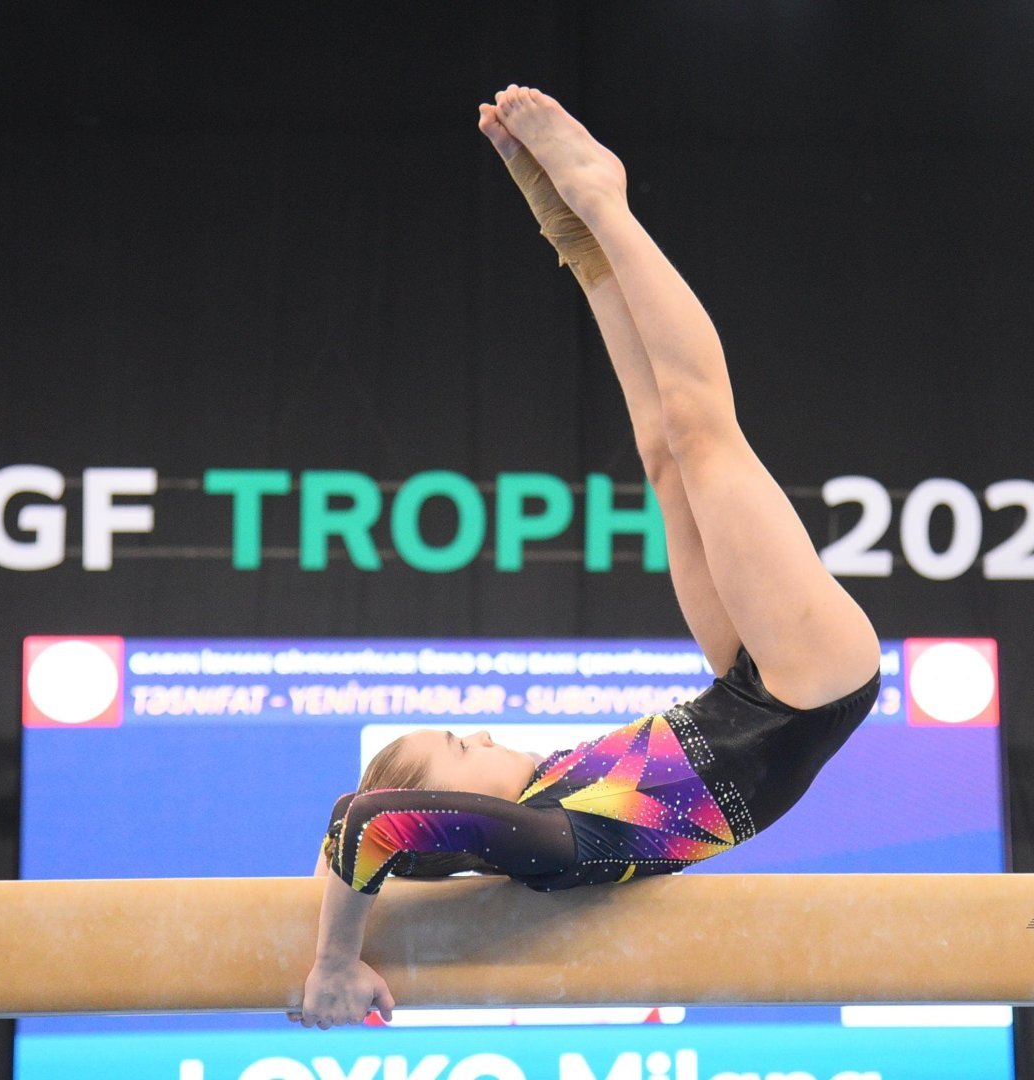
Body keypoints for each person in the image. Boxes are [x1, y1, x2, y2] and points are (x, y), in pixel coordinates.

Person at [289, 86, 882, 1030]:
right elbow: (370, 825)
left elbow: (348, 822)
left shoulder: (542, 804)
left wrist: (342, 896)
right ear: (447, 811)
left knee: (662, 450)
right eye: (458, 751)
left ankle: (577, 242)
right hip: (807, 687)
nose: (479, 734)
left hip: (743, 687)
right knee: (700, 430)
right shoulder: (544, 844)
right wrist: (331, 961)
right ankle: (604, 199)